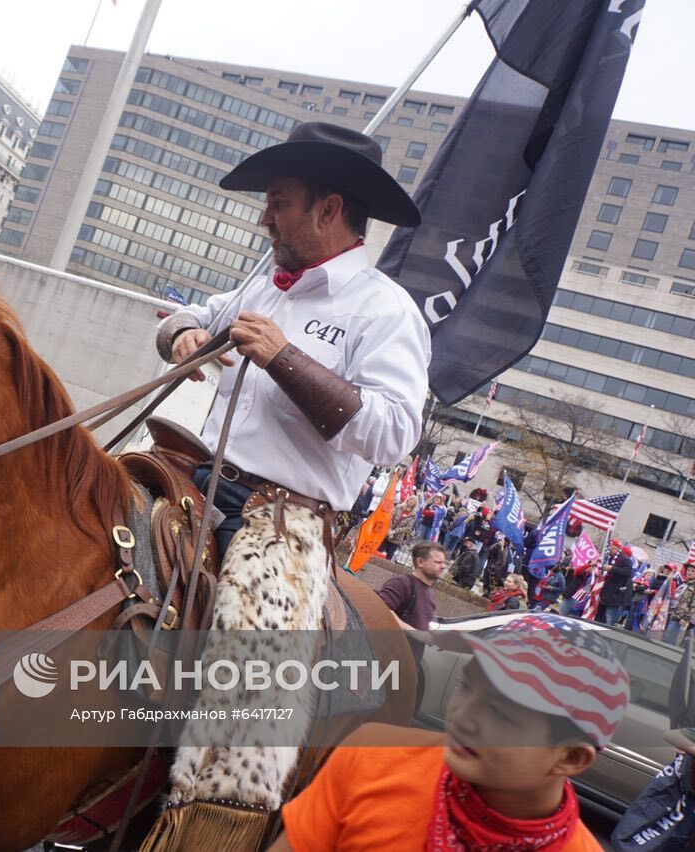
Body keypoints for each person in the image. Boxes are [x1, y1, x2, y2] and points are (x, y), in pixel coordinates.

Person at [155, 121, 427, 561]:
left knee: (244, 633)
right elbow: (182, 317)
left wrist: (283, 357)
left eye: (278, 204)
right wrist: (183, 335)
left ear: (328, 210)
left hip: (283, 529)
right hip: (194, 486)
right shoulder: (265, 289)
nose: (265, 219)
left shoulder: (387, 310)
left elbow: (394, 434)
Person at [274, 613, 628, 851]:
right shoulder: (372, 754)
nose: (463, 716)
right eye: (465, 686)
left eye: (499, 713)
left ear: (571, 757)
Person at [377, 541, 445, 711]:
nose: (442, 566)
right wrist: (414, 632)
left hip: (406, 670)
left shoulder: (429, 594)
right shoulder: (402, 583)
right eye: (437, 562)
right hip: (383, 666)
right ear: (420, 562)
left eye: (444, 563)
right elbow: (380, 610)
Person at [599, 548, 635, 627]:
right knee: (603, 617)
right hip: (607, 593)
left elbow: (627, 572)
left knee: (610, 617)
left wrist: (612, 568)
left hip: (615, 595)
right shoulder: (612, 559)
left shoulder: (625, 560)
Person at [665, 567, 695, 646]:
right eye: (688, 570)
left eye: (693, 571)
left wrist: (686, 617)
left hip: (682, 617)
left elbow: (693, 605)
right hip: (675, 613)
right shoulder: (685, 583)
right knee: (668, 636)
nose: (690, 572)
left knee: (670, 637)